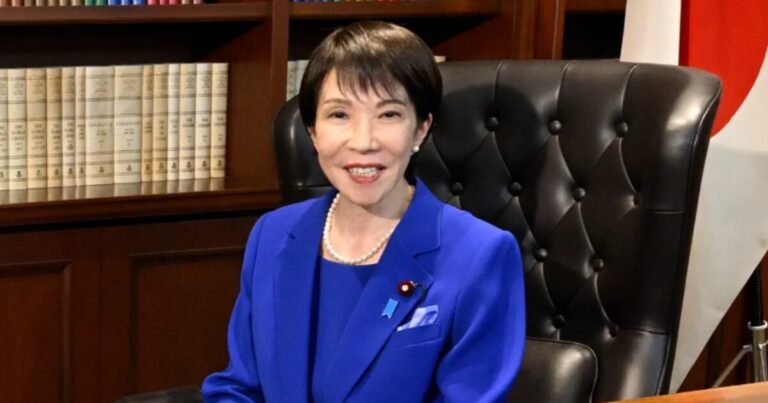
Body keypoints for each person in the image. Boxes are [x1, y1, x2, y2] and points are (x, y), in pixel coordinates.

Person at [202, 21, 525, 403]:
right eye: (340, 115)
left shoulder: (481, 254)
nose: (363, 142)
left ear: (421, 129)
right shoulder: (272, 234)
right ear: (312, 130)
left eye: (389, 115)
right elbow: (238, 388)